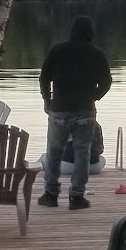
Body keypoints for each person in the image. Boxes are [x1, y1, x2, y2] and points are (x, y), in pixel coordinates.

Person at [38, 15, 112, 208]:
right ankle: (77, 197)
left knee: (54, 152)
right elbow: (106, 82)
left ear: (72, 31)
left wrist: (48, 100)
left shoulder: (57, 50)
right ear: (91, 33)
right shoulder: (97, 54)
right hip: (85, 111)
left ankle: (50, 195)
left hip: (59, 109)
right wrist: (94, 96)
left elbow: (44, 78)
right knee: (83, 153)